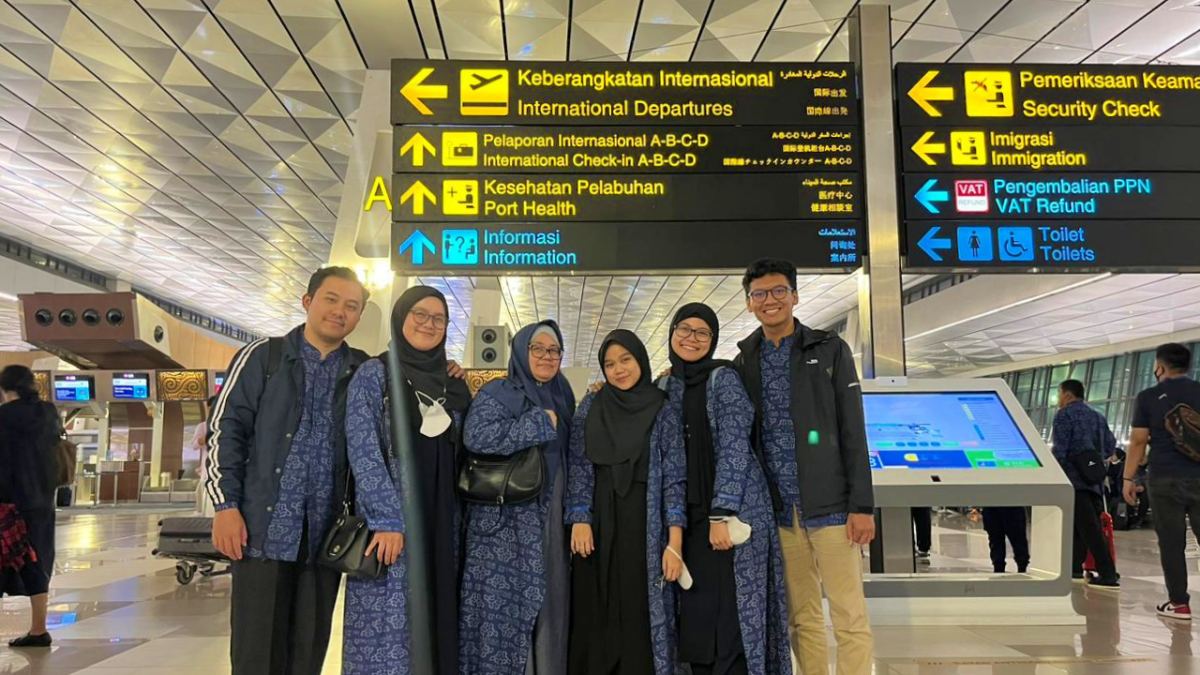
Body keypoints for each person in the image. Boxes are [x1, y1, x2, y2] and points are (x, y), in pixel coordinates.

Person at [205, 267, 369, 674]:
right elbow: (226, 430)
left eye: (352, 306)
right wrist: (225, 506)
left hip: (323, 539)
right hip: (261, 531)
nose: (340, 312)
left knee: (308, 652)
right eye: (331, 300)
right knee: (255, 652)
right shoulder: (265, 357)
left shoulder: (363, 370)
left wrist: (450, 371)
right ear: (308, 301)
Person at [733, 258, 875, 675]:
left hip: (832, 507)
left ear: (794, 296)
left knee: (849, 615)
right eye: (760, 294)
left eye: (779, 291)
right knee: (802, 617)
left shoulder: (829, 349)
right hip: (780, 514)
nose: (770, 300)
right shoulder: (746, 360)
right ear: (749, 304)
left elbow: (853, 430)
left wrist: (862, 505)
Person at [342, 286, 471, 674]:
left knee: (436, 611)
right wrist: (387, 520)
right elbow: (363, 448)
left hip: (443, 517)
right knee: (389, 623)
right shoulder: (375, 375)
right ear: (400, 318)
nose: (429, 324)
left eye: (438, 318)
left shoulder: (453, 383)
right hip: (394, 521)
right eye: (420, 314)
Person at [662, 304, 791, 675]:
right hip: (687, 518)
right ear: (671, 333)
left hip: (731, 517)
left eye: (702, 332)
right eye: (684, 329)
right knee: (699, 617)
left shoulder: (724, 379)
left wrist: (722, 513)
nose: (691, 338)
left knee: (732, 619)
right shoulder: (667, 385)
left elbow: (735, 446)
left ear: (713, 340)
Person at [566, 329, 686, 675]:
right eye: (609, 364)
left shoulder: (661, 409)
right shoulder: (592, 404)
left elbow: (676, 477)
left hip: (644, 524)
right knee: (595, 606)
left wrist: (674, 543)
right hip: (597, 523)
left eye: (626, 360)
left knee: (639, 606)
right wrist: (579, 518)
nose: (618, 370)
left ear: (641, 360)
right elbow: (579, 463)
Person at [460, 320, 576, 674]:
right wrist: (538, 423)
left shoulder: (563, 393)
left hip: (551, 510)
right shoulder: (498, 392)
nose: (546, 356)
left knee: (550, 601)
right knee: (503, 609)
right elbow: (475, 437)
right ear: (522, 352)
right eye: (537, 348)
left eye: (553, 350)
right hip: (504, 522)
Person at [1124, 343, 1200, 620]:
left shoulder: (1148, 397)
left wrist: (1128, 477)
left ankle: (1180, 604)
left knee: (1172, 543)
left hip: (1164, 478)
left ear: (1160, 366)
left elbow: (1139, 441)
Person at [0, 365, 60, 648]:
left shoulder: (4, 416)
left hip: (8, 502)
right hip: (42, 500)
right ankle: (39, 629)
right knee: (36, 560)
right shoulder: (48, 413)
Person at [1052, 379, 1119, 588]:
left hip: (1074, 480)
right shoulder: (1098, 417)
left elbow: (1060, 451)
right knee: (1080, 525)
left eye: (1059, 394)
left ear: (1068, 395)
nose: (1058, 399)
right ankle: (1074, 567)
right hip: (1095, 481)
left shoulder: (1064, 415)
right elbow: (1110, 447)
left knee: (1089, 528)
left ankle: (1108, 573)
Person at [980, 507, 1029, 573]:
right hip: (1000, 508)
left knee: (1017, 541)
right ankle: (1021, 568)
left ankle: (1021, 567)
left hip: (1003, 507)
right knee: (1016, 541)